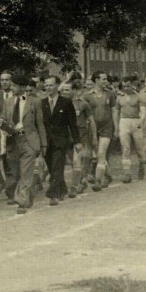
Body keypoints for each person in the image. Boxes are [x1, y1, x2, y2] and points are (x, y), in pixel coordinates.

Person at [0, 75, 47, 214]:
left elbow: (40, 124)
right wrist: (1, 124)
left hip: (29, 140)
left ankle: (21, 201)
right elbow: (3, 117)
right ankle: (28, 194)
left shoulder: (35, 102)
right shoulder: (7, 102)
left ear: (22, 87)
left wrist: (43, 145)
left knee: (26, 171)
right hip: (12, 141)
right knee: (16, 172)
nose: (11, 88)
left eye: (14, 86)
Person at [41, 76, 80, 206]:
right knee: (52, 168)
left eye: (51, 85)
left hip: (61, 140)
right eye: (46, 85)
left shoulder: (66, 103)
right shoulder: (42, 103)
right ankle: (62, 188)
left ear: (58, 86)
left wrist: (77, 141)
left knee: (57, 166)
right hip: (46, 142)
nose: (48, 88)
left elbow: (72, 124)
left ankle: (53, 195)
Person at [84, 71, 118, 191]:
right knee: (97, 154)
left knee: (101, 153)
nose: (106, 81)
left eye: (106, 79)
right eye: (103, 79)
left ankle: (98, 180)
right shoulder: (87, 96)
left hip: (107, 127)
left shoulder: (110, 94)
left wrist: (116, 128)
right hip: (93, 128)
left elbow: (114, 111)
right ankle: (108, 175)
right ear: (96, 80)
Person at [62, 80, 97, 193]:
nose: (65, 92)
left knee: (77, 160)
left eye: (67, 90)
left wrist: (94, 136)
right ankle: (82, 181)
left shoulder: (82, 104)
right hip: (66, 137)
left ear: (74, 90)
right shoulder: (60, 103)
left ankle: (74, 186)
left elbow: (91, 121)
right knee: (73, 162)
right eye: (63, 90)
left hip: (80, 136)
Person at [116, 75, 145, 183]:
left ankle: (141, 165)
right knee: (125, 148)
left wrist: (140, 121)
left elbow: (143, 110)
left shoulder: (138, 96)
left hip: (135, 121)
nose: (126, 88)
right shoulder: (119, 97)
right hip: (124, 122)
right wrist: (116, 125)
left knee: (139, 148)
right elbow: (116, 111)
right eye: (124, 86)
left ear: (132, 85)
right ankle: (127, 173)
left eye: (128, 86)